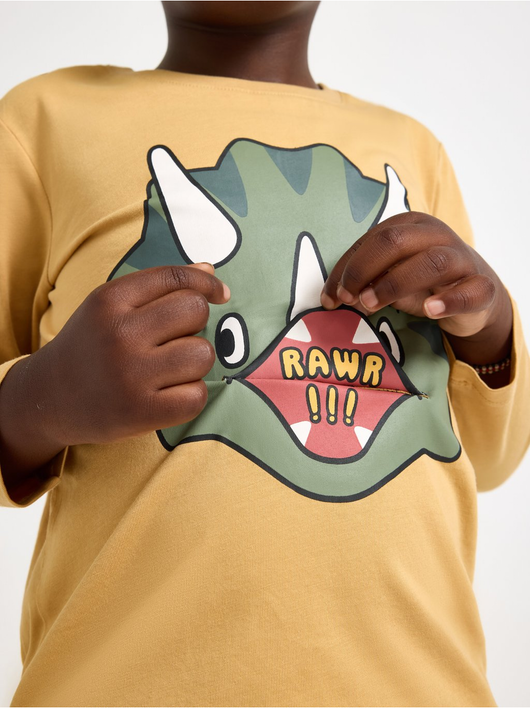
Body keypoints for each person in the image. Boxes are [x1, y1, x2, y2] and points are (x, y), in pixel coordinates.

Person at [0, 2, 528, 705]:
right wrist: (45, 396)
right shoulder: (43, 123)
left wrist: (489, 327)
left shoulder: (415, 149)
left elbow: (491, 455)